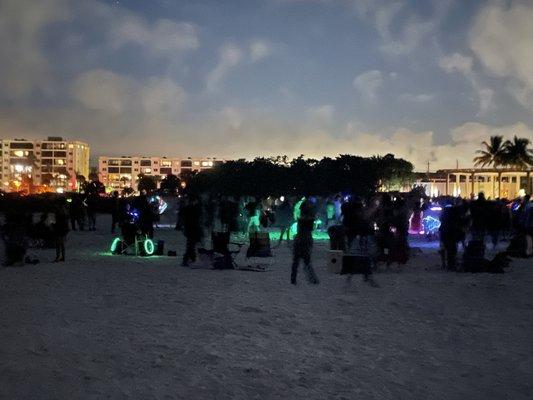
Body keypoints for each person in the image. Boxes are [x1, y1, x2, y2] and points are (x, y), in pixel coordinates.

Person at [291, 199, 319, 285]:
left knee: (296, 261)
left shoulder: (300, 219)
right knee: (307, 261)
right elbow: (311, 229)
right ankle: (312, 279)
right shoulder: (310, 220)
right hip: (306, 239)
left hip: (299, 239)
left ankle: (293, 279)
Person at [180, 196, 203, 266]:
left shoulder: (190, 208)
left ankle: (190, 258)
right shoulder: (192, 209)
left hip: (191, 228)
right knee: (191, 244)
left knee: (191, 244)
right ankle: (189, 258)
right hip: (192, 228)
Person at [53, 198, 70, 262]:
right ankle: (62, 257)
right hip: (64, 228)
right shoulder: (65, 210)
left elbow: (58, 219)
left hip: (59, 227)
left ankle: (58, 257)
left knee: (58, 243)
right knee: (62, 243)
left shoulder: (59, 211)